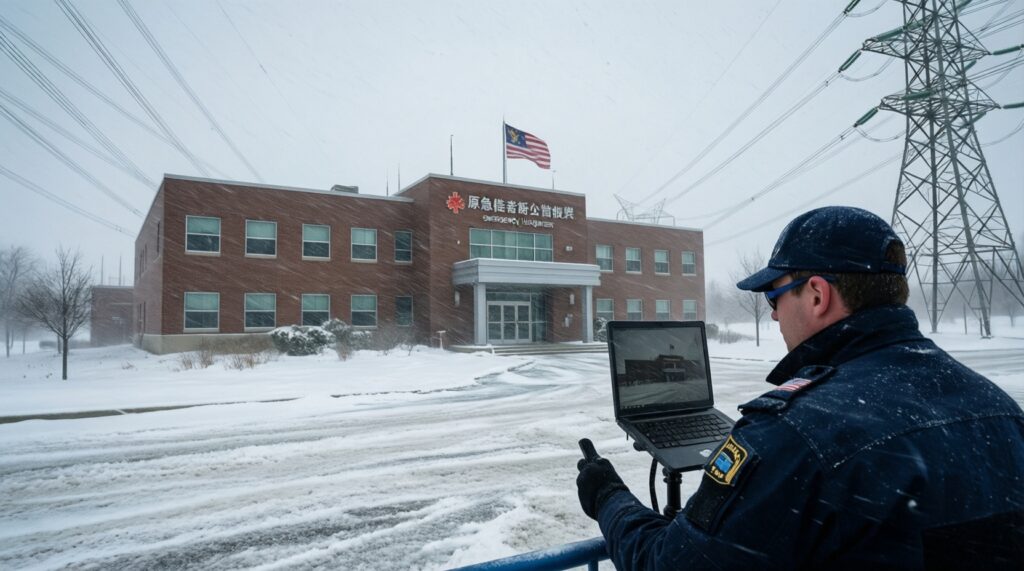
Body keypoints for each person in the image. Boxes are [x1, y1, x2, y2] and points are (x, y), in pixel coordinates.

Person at [576, 206, 1024, 570]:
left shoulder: (796, 434)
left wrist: (608, 498)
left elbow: (667, 565)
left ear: (816, 295)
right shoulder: (1001, 409)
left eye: (775, 297)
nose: (773, 314)